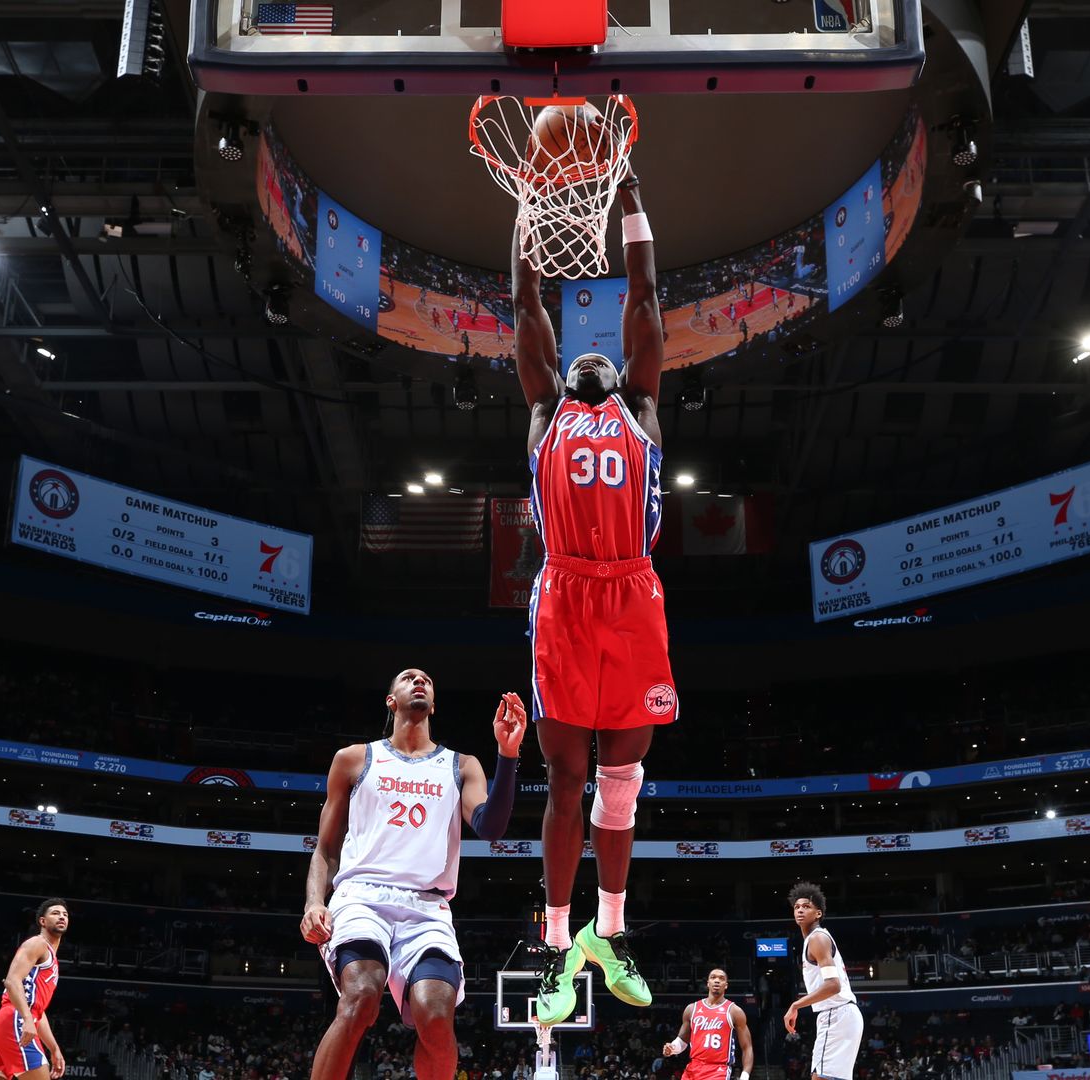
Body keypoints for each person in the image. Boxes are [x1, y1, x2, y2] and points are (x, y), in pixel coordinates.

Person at [512, 162, 672, 1025]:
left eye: (606, 353)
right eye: (580, 352)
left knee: (623, 780)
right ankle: (554, 948)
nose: (593, 351)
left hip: (632, 595)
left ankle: (607, 936)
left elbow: (644, 296)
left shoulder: (641, 405)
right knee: (564, 780)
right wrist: (534, 206)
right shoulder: (544, 412)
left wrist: (635, 201)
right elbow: (525, 306)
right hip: (568, 595)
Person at [301, 670, 527, 1080]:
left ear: (434, 705)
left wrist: (507, 755)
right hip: (361, 896)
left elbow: (491, 828)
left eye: (426, 679)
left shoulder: (461, 765)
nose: (419, 680)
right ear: (392, 700)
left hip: (427, 905)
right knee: (361, 996)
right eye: (408, 678)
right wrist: (314, 901)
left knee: (435, 1013)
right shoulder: (354, 759)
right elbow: (326, 849)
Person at [0, 900, 69, 1080]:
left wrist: (54, 1048)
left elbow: (38, 1012)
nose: (61, 917)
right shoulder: (37, 943)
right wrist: (26, 1019)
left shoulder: (51, 959)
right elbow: (11, 981)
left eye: (65, 914)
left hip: (3, 1024)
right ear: (42, 921)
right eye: (55, 913)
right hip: (14, 1020)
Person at [784, 883, 862, 1080]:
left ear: (818, 913)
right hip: (842, 1014)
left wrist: (796, 1005)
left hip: (836, 1013)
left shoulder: (817, 939)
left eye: (806, 906)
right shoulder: (815, 938)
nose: (800, 910)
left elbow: (833, 985)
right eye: (797, 907)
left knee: (820, 1077)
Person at [662, 969, 754, 1080]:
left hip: (718, 1070)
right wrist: (672, 1048)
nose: (717, 981)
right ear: (708, 983)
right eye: (713, 977)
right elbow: (682, 1040)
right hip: (693, 1068)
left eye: (721, 978)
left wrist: (745, 1075)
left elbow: (747, 1047)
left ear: (726, 985)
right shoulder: (692, 1009)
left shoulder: (734, 1011)